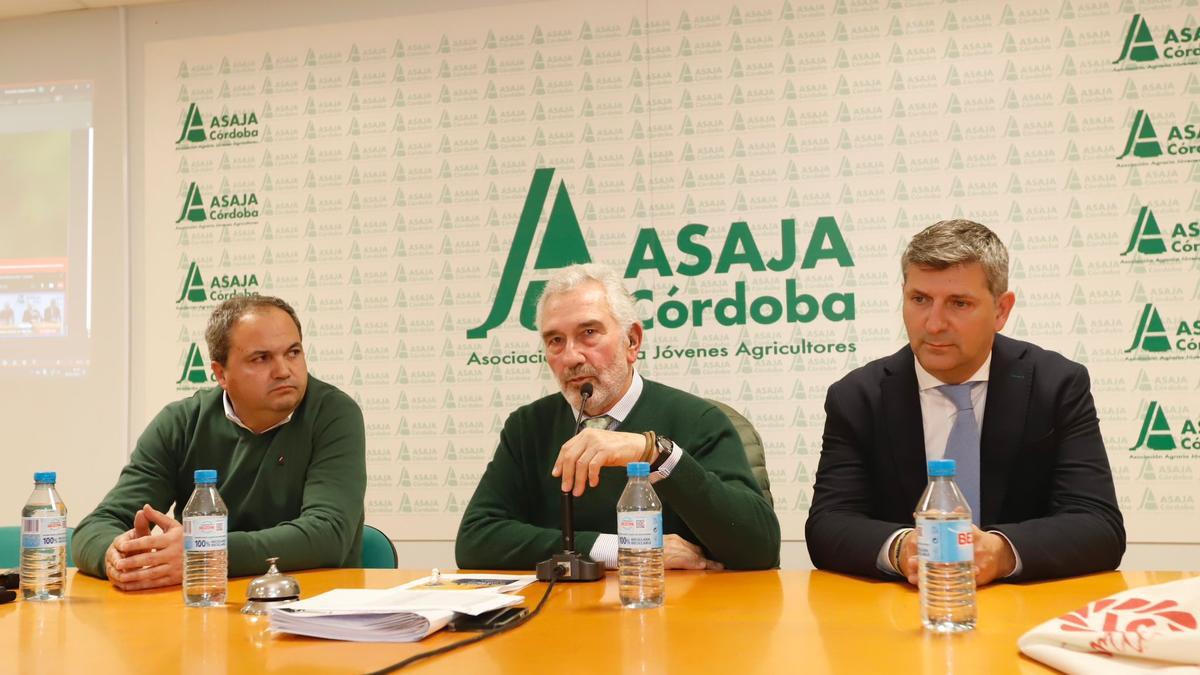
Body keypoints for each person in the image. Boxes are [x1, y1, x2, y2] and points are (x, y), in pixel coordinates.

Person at [805, 220, 1125, 585]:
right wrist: (902, 548)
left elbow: (1099, 526)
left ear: (1002, 310)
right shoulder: (858, 397)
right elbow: (828, 525)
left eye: (959, 303)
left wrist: (1001, 553)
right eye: (920, 299)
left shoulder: (1056, 385)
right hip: (903, 612)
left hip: (1024, 610)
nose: (934, 323)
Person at [456, 264, 780, 571]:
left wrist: (655, 453)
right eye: (555, 340)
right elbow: (475, 540)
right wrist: (620, 549)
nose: (570, 357)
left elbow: (760, 547)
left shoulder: (699, 420)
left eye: (589, 333)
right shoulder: (528, 427)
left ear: (632, 341)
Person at [73, 295, 366, 590]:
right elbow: (97, 526)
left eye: (293, 352)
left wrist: (203, 553)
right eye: (261, 358)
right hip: (204, 606)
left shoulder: (333, 414)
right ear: (221, 374)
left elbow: (328, 535)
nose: (283, 370)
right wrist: (118, 557)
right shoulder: (181, 423)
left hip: (311, 607)